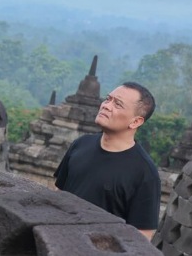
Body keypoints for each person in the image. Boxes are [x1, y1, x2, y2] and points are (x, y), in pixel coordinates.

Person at [55, 81, 160, 239]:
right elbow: (58, 193)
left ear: (136, 121)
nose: (106, 106)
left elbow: (143, 234)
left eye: (117, 104)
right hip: (55, 240)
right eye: (107, 99)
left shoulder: (144, 173)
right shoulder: (81, 144)